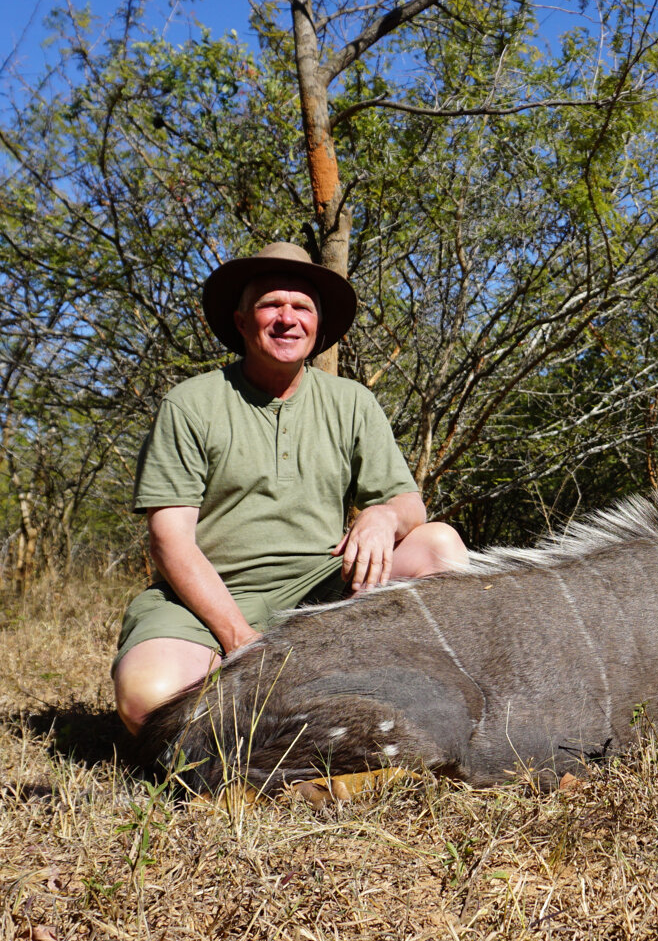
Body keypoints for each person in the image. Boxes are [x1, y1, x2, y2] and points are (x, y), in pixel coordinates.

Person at [111, 242, 468, 732]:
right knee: (148, 700)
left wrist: (383, 516)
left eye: (301, 307)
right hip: (206, 602)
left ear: (318, 326)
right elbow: (169, 540)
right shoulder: (190, 404)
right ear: (241, 323)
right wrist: (244, 643)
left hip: (320, 593)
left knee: (439, 546)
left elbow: (410, 504)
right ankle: (291, 729)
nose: (287, 318)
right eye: (270, 305)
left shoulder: (353, 403)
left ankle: (429, 709)